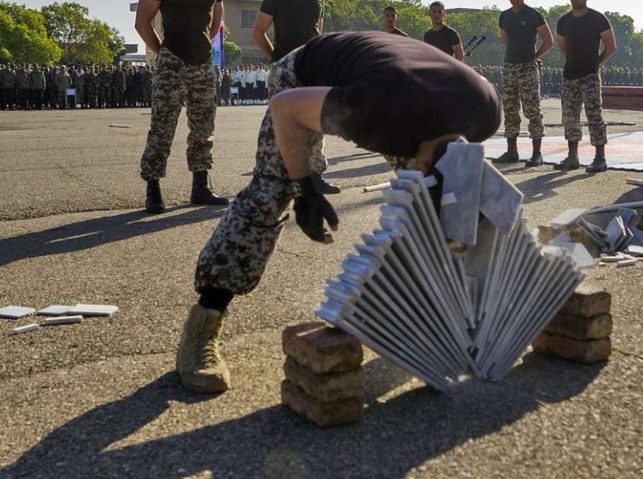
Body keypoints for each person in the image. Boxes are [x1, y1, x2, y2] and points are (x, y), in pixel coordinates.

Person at [176, 31, 501, 393]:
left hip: (394, 83)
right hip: (303, 74)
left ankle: (443, 317)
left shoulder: (485, 113)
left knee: (451, 216)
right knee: (272, 189)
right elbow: (287, 109)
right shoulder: (374, 109)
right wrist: (304, 186)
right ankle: (205, 322)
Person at [134, 0, 229, 214]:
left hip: (202, 64)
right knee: (163, 126)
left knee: (203, 127)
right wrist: (163, 50)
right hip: (172, 63)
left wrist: (202, 46)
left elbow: (216, 22)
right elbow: (142, 22)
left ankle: (200, 186)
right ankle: (153, 188)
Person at [252, 0, 339, 194]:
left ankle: (315, 176)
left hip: (311, 71)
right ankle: (274, 181)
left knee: (315, 125)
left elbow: (318, 33)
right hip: (284, 72)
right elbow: (258, 32)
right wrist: (277, 60)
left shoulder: (317, 0)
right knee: (281, 126)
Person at [554, 0, 616, 172]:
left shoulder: (597, 19)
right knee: (570, 117)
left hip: (589, 75)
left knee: (594, 115)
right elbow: (563, 47)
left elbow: (610, 46)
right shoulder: (563, 21)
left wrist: (595, 64)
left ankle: (600, 158)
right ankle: (572, 157)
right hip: (570, 75)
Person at [493, 0, 554, 167]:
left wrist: (535, 56)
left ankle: (537, 153)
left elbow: (548, 40)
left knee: (532, 110)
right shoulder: (504, 17)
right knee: (510, 109)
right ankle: (512, 152)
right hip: (510, 66)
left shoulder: (533, 15)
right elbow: (506, 39)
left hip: (528, 67)